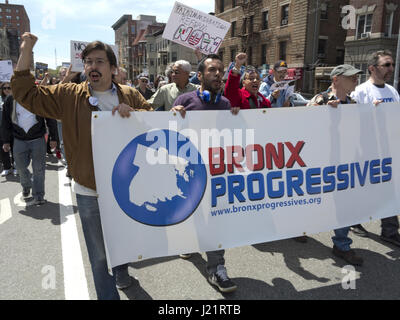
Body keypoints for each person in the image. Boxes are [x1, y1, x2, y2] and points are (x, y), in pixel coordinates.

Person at [11, 32, 152, 300]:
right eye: (87, 61)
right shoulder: (68, 95)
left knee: (121, 243)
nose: (92, 66)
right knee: (98, 256)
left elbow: (154, 121)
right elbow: (25, 93)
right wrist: (26, 49)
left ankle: (122, 272)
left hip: (126, 188)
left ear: (113, 69)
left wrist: (136, 115)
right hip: (89, 190)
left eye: (99, 61)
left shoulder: (131, 95)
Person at [172, 54, 239, 293]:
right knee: (193, 214)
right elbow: (167, 131)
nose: (218, 74)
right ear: (199, 76)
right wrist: (173, 114)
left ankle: (217, 269)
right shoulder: (184, 100)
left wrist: (238, 119)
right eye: (212, 70)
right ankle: (191, 241)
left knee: (214, 221)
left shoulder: (225, 105)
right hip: (189, 172)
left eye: (220, 70)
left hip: (216, 173)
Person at [307, 64, 364, 266]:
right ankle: (299, 227)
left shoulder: (354, 103)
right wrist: (322, 112)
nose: (355, 80)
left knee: (345, 204)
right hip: (320, 162)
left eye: (357, 77)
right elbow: (301, 125)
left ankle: (342, 244)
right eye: (351, 77)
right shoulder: (320, 99)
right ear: (336, 79)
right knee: (312, 201)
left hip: (345, 163)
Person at [350, 50, 400, 246]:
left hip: (387, 150)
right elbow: (350, 120)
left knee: (389, 190)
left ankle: (389, 231)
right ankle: (353, 220)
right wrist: (370, 112)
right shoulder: (361, 91)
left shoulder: (392, 91)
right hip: (365, 150)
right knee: (363, 189)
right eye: (386, 65)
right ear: (372, 68)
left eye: (392, 64)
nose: (391, 68)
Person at [2, 87, 59, 205]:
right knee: (21, 168)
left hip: (38, 139)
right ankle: (26, 185)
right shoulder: (10, 99)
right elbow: (6, 121)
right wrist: (6, 141)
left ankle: (39, 195)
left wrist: (54, 138)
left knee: (39, 169)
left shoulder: (40, 98)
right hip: (18, 139)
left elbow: (50, 118)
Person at [0, 82, 16, 176]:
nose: (6, 89)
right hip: (2, 128)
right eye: (4, 88)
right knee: (3, 148)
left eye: (9, 87)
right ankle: (6, 167)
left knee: (15, 148)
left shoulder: (16, 99)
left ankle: (16, 167)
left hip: (13, 127)